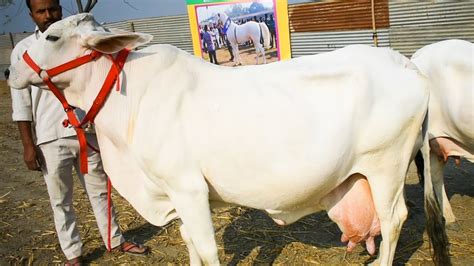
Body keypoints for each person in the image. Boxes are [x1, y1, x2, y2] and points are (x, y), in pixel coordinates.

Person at [10, 0, 149, 265]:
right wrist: (29, 145)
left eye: (53, 9)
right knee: (60, 199)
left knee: (101, 191)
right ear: (31, 15)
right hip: (50, 137)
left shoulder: (79, 40)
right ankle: (73, 254)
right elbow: (21, 105)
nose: (49, 16)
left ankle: (115, 240)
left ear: (61, 9)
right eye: (41, 11)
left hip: (87, 130)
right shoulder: (23, 51)